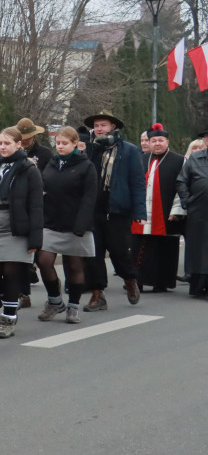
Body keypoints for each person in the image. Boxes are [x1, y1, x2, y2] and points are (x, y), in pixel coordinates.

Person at [0, 127, 43, 339]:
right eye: (0, 143)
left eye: (8, 143)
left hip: (16, 227)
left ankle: (8, 318)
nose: (3, 147)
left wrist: (35, 238)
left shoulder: (28, 169)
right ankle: (1, 303)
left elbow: (36, 205)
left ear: (19, 144)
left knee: (11, 273)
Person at [83, 111, 146, 310]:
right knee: (94, 253)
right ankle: (97, 294)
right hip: (93, 209)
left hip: (117, 210)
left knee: (119, 251)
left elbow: (137, 183)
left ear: (112, 127)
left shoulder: (129, 150)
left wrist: (140, 212)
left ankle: (129, 279)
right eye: (96, 125)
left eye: (103, 125)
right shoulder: (91, 150)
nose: (99, 129)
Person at [36, 127, 97, 324]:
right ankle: (55, 300)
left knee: (74, 266)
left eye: (64, 143)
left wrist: (81, 224)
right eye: (58, 143)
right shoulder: (53, 163)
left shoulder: (86, 166)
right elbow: (44, 185)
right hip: (51, 221)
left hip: (76, 223)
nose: (60, 146)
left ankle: (73, 306)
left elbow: (89, 198)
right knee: (43, 260)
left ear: (75, 144)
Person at [131, 124, 185, 293]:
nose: (157, 144)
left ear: (167, 142)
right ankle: (137, 281)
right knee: (140, 246)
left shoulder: (179, 160)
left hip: (166, 212)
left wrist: (177, 211)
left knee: (164, 247)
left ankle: (161, 282)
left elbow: (181, 186)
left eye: (160, 140)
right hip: (143, 211)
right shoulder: (141, 158)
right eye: (153, 140)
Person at [177, 134, 208, 296]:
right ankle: (197, 285)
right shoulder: (195, 159)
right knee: (199, 250)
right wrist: (187, 201)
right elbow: (181, 181)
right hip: (199, 212)